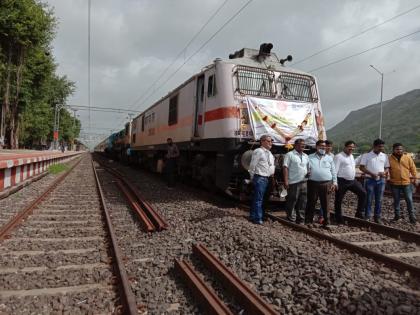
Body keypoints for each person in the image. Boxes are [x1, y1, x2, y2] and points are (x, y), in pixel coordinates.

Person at [306, 140, 337, 228]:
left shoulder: (329, 158)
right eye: (321, 146)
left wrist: (334, 183)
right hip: (313, 183)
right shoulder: (309, 157)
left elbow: (333, 171)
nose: (323, 148)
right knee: (311, 202)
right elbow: (306, 169)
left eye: (324, 146)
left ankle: (327, 222)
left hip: (326, 183)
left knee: (326, 204)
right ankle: (309, 220)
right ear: (316, 147)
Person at [334, 140, 367, 223]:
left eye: (353, 147)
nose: (351, 149)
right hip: (342, 181)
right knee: (339, 200)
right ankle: (338, 218)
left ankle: (359, 213)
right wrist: (335, 182)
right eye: (349, 147)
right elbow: (335, 170)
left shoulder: (351, 156)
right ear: (345, 147)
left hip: (352, 181)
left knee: (363, 193)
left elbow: (353, 164)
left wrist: (362, 156)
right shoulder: (339, 156)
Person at [359, 139, 390, 224]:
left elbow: (387, 167)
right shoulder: (366, 155)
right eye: (380, 146)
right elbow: (361, 167)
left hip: (381, 180)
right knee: (369, 199)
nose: (381, 148)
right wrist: (371, 173)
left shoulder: (384, 156)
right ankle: (367, 216)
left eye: (382, 146)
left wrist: (384, 172)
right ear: (374, 146)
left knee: (379, 199)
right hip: (369, 180)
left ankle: (377, 217)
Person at [248, 135, 275, 224]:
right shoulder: (258, 151)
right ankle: (258, 218)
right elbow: (252, 165)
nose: (271, 143)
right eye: (268, 141)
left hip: (268, 178)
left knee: (261, 198)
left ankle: (253, 215)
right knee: (258, 199)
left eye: (271, 141)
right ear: (262, 141)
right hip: (260, 177)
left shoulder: (270, 153)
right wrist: (252, 177)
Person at [388, 143, 417, 224]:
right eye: (397, 149)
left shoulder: (407, 157)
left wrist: (415, 178)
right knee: (396, 201)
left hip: (406, 183)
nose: (399, 151)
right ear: (393, 150)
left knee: (409, 200)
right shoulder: (389, 158)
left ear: (403, 150)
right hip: (394, 184)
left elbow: (413, 168)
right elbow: (386, 169)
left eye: (401, 149)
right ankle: (397, 217)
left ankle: (412, 218)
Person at [283, 138, 309, 224]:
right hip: (294, 182)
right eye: (301, 144)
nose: (303, 146)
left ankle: (301, 219)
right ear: (295, 145)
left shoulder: (306, 156)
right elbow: (285, 167)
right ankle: (291, 218)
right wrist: (286, 181)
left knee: (303, 201)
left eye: (304, 145)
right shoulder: (289, 155)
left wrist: (309, 172)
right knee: (292, 200)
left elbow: (308, 167)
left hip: (304, 182)